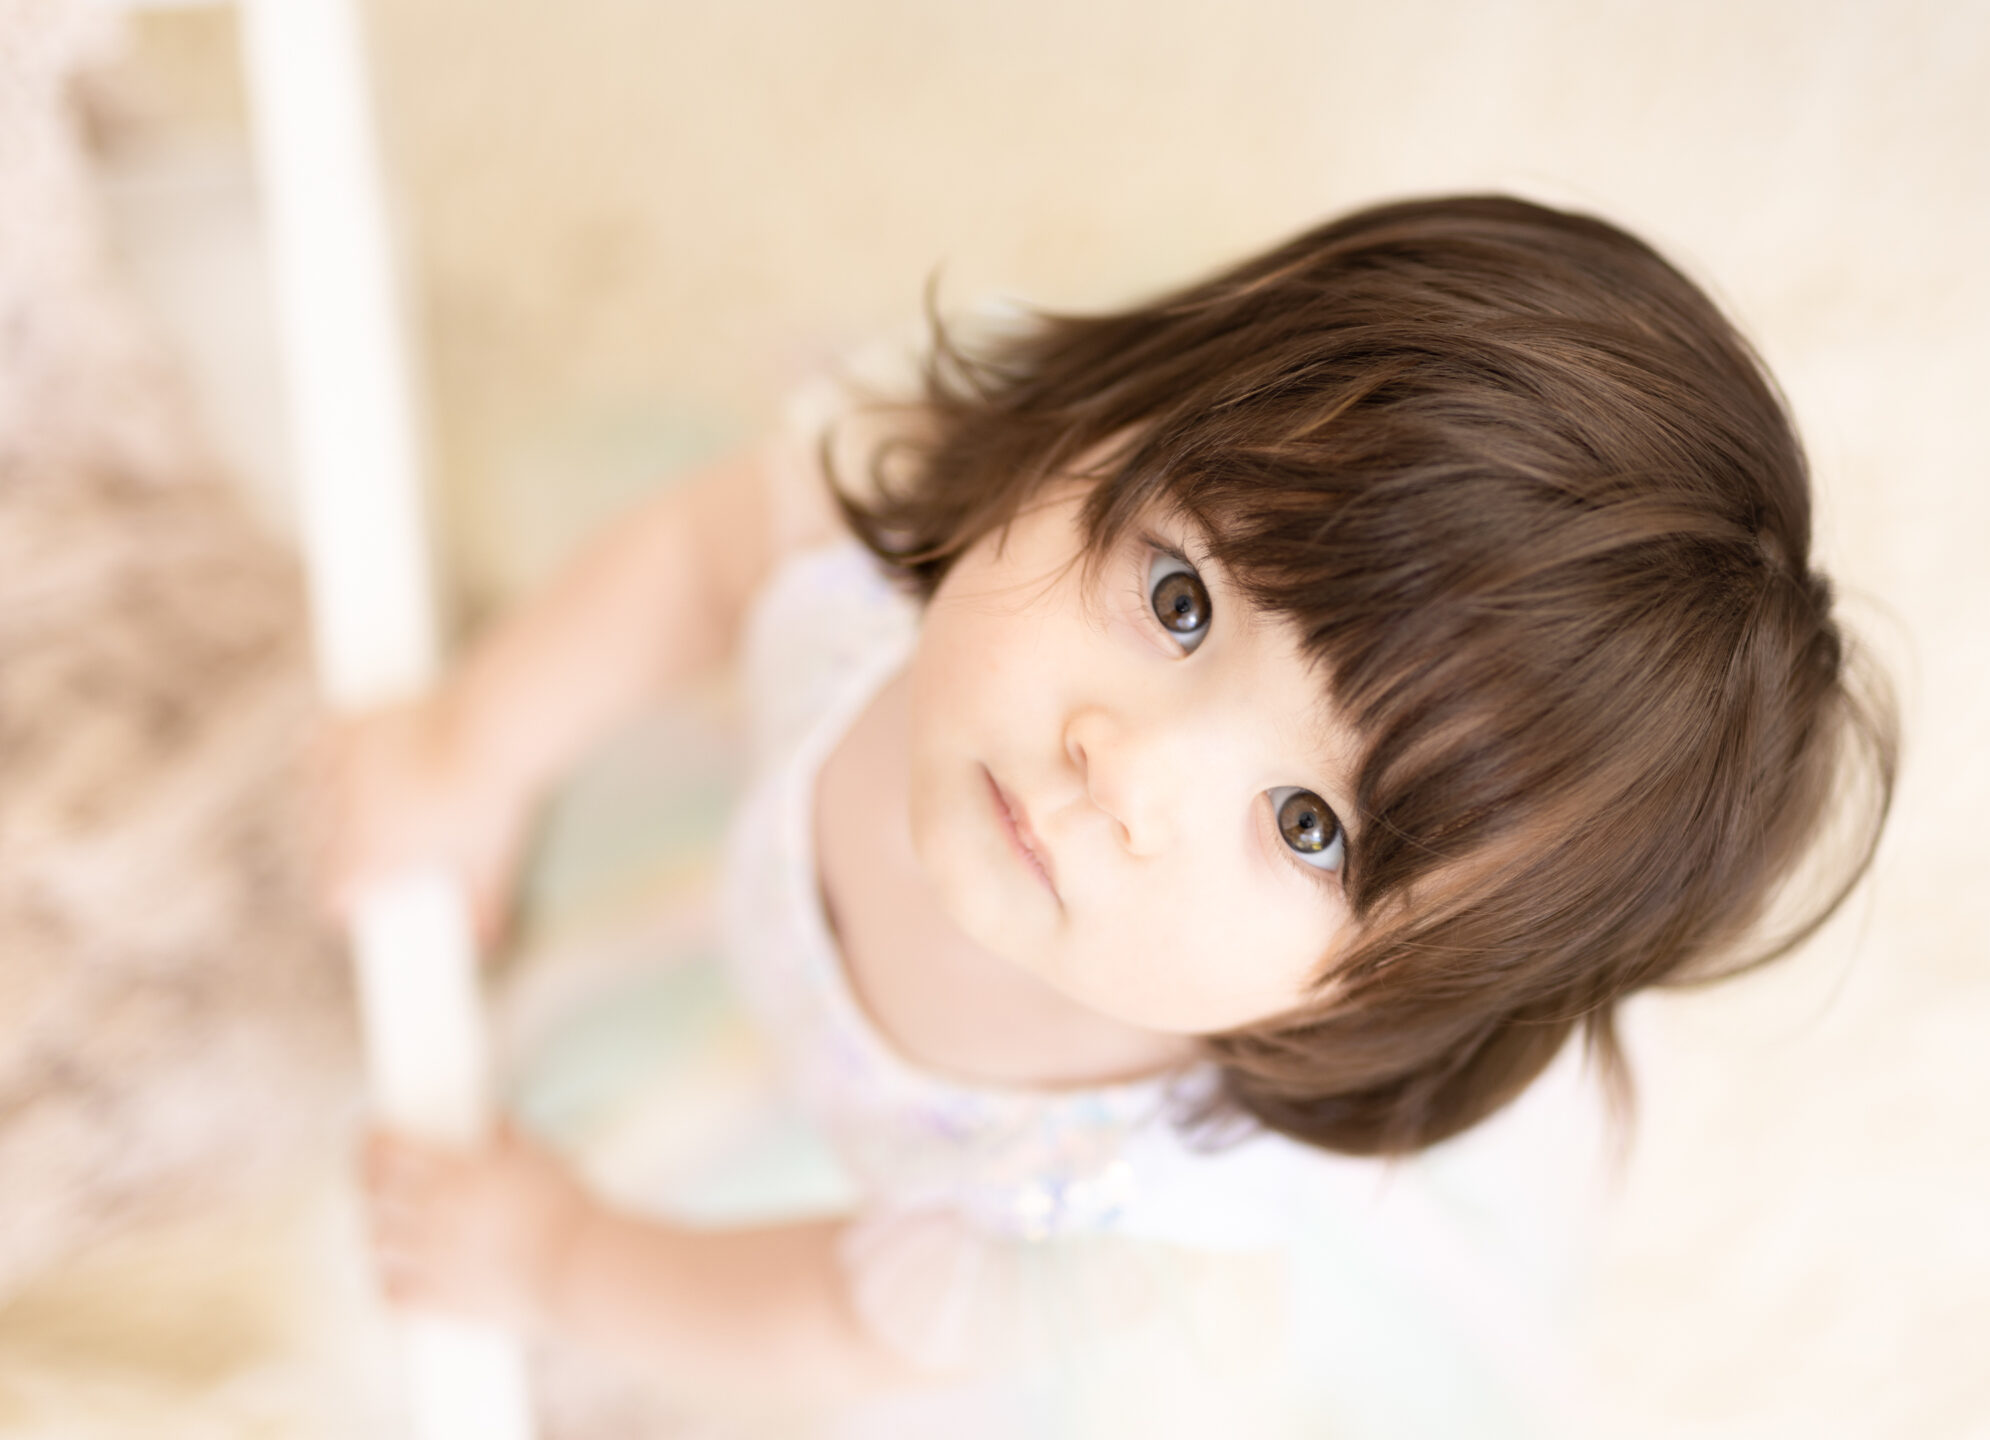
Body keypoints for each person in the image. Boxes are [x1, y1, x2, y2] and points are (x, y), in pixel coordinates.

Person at [327, 194, 1897, 1436]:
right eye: (1179, 596)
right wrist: (476, 750)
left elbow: (837, 1313)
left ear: (1363, 999)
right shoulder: (920, 517)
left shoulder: (1115, 1233)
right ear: (1094, 440)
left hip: (919, 1168)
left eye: (1306, 828)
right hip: (786, 876)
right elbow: (692, 559)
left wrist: (566, 1263)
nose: (1123, 767)